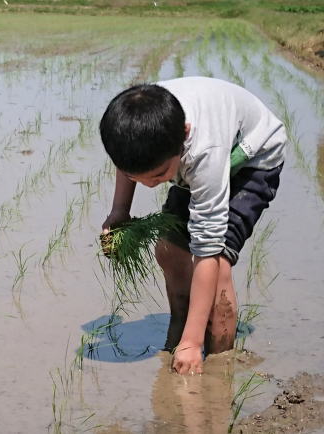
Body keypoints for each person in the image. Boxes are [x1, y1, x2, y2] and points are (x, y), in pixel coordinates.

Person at [99, 76, 286, 375]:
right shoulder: (136, 127)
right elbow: (128, 164)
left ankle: (218, 360)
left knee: (219, 263)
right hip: (194, 161)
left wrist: (192, 341)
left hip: (252, 159)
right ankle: (180, 325)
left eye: (158, 175)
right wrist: (119, 211)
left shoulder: (203, 151)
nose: (148, 185)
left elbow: (207, 249)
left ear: (184, 135)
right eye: (139, 177)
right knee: (168, 251)